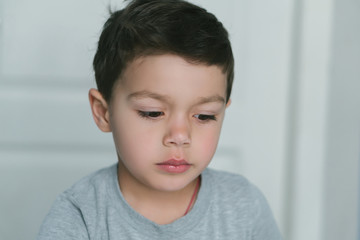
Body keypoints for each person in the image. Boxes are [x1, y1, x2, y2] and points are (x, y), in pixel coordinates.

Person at [37, 0, 282, 239]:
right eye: (152, 112)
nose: (180, 136)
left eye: (204, 115)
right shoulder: (80, 216)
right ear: (103, 112)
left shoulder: (245, 207)